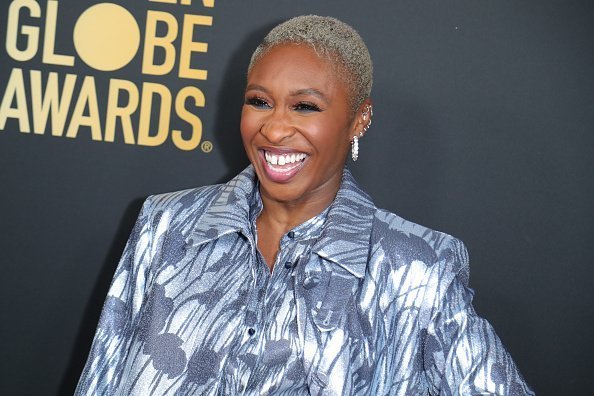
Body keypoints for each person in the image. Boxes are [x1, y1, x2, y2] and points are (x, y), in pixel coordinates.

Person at [76, 15, 534, 395]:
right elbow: (101, 378)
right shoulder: (167, 224)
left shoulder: (415, 270)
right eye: (260, 102)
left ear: (360, 118)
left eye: (305, 107)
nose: (274, 130)